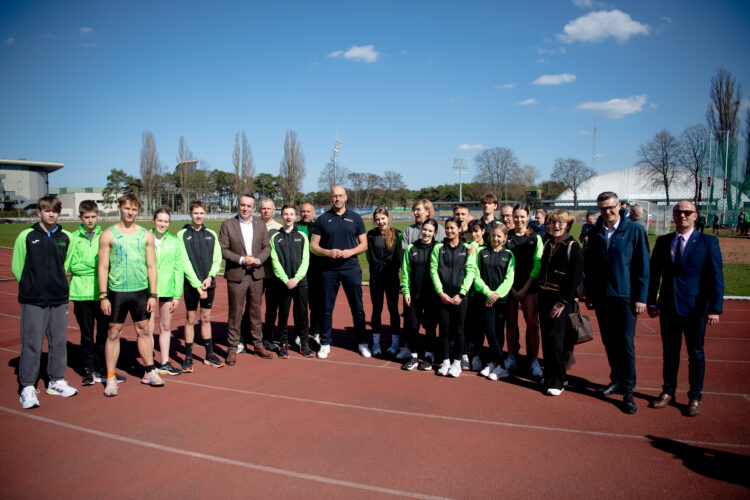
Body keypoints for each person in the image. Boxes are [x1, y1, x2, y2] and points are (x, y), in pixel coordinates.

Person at [647, 201, 724, 417]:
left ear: (695, 216)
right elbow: (654, 274)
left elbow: (716, 276)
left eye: (687, 212)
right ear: (673, 215)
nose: (682, 216)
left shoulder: (708, 242)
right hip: (668, 306)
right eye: (678, 212)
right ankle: (667, 392)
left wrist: (715, 308)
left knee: (696, 353)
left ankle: (695, 397)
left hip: (695, 308)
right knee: (670, 352)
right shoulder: (663, 241)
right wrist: (651, 301)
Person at [584, 191, 649, 414]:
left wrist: (641, 297)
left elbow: (642, 265)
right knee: (609, 342)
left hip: (625, 296)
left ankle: (628, 390)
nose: (607, 212)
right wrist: (590, 293)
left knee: (625, 343)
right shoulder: (595, 231)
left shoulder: (635, 230)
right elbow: (590, 265)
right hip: (602, 296)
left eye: (611, 207)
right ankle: (617, 380)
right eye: (603, 208)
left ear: (619, 206)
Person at [13, 195, 77, 408]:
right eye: (47, 210)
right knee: (32, 342)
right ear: (39, 212)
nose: (51, 214)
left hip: (59, 298)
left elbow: (65, 264)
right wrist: (31, 286)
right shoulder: (26, 236)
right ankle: (27, 386)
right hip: (34, 298)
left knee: (59, 341)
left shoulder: (66, 237)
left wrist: (57, 283)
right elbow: (17, 266)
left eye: (55, 211)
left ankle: (56, 381)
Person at [98, 194, 163, 397]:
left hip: (140, 290)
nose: (130, 212)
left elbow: (151, 265)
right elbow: (103, 266)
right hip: (117, 291)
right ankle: (110, 377)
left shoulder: (146, 235)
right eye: (127, 208)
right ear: (120, 208)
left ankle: (149, 370)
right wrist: (103, 295)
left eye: (134, 209)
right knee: (114, 332)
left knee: (144, 330)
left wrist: (153, 294)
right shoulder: (108, 234)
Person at [310, 186, 368, 359]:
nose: (338, 198)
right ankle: (325, 343)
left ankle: (362, 342)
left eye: (340, 195)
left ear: (346, 197)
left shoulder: (356, 218)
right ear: (330, 198)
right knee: (326, 309)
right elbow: (313, 246)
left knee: (357, 308)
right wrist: (327, 252)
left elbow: (364, 244)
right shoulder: (322, 219)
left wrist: (351, 252)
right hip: (329, 270)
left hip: (351, 269)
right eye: (335, 196)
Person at [219, 194, 272, 365]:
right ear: (238, 206)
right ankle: (232, 348)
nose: (245, 208)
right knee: (235, 313)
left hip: (256, 274)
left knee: (255, 312)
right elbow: (223, 250)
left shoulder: (260, 224)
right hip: (237, 275)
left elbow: (266, 247)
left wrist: (258, 260)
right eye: (243, 205)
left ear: (254, 208)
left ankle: (257, 344)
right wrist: (242, 259)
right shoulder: (228, 225)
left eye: (249, 206)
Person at [537, 210, 584, 396]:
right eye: (552, 222)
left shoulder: (573, 246)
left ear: (568, 225)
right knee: (547, 339)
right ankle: (550, 375)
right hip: (544, 297)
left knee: (556, 340)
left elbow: (574, 278)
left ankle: (557, 380)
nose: (555, 226)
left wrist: (562, 301)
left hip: (560, 300)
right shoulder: (548, 243)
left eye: (560, 223)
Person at [177, 201, 224, 372]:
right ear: (190, 214)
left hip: (208, 283)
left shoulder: (211, 234)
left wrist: (210, 277)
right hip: (192, 286)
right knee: (190, 319)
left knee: (205, 318)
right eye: (195, 213)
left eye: (201, 213)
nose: (199, 216)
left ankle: (209, 355)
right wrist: (197, 285)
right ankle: (188, 357)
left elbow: (217, 258)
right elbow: (184, 261)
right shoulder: (182, 234)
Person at [68, 200, 111, 386]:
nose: (90, 220)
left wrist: (96, 266)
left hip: (102, 294)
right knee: (86, 334)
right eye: (87, 217)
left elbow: (108, 265)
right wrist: (97, 266)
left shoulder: (105, 235)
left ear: (98, 216)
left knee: (102, 334)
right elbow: (73, 266)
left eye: (93, 216)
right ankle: (88, 369)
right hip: (81, 293)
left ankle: (101, 367)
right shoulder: (73, 238)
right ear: (80, 217)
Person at [430, 217, 476, 377]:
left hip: (460, 297)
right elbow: (433, 269)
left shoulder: (468, 249)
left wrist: (462, 293)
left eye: (452, 228)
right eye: (447, 228)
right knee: (444, 329)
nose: (449, 231)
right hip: (443, 296)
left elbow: (470, 272)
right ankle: (445, 361)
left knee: (459, 330)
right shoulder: (439, 248)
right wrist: (440, 292)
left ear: (459, 229)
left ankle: (457, 363)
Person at [504, 203, 544, 380]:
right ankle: (511, 356)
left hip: (529, 286)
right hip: (510, 287)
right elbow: (503, 263)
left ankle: (533, 360)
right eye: (516, 216)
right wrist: (512, 288)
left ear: (528, 218)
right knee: (511, 323)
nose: (519, 220)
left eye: (522, 216)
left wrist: (525, 288)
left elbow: (537, 265)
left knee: (532, 323)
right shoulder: (507, 237)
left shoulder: (535, 238)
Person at [270, 205, 314, 358]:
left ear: (296, 217)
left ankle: (304, 343)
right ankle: (283, 343)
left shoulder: (302, 236)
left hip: (300, 282)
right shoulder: (275, 237)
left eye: (291, 214)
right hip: (284, 283)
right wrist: (285, 279)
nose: (288, 217)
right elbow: (275, 261)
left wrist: (297, 278)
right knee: (283, 313)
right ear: (281, 216)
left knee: (302, 313)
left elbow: (306, 259)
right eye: (285, 214)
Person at [473, 224, 515, 380]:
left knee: (498, 332)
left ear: (505, 238)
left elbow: (509, 278)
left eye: (499, 236)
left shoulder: (509, 255)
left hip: (501, 300)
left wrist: (497, 295)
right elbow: (476, 275)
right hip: (485, 299)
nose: (495, 238)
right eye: (493, 235)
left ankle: (494, 363)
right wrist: (488, 293)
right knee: (489, 331)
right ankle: (502, 365)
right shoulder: (481, 252)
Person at [400, 219, 440, 371]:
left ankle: (429, 355)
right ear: (421, 229)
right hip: (415, 295)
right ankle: (414, 356)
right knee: (413, 326)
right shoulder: (411, 248)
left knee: (430, 326)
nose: (426, 233)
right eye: (425, 229)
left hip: (432, 295)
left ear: (435, 233)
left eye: (430, 231)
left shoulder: (438, 248)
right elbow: (405, 272)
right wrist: (406, 291)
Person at [148, 208, 183, 376]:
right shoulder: (145, 238)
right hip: (148, 289)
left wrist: (177, 295)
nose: (162, 224)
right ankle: (149, 365)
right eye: (160, 220)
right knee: (148, 328)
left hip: (168, 288)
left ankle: (164, 362)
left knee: (165, 326)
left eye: (166, 221)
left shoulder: (174, 241)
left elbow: (178, 268)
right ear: (154, 220)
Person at [366, 207, 404, 357]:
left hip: (391, 277)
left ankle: (395, 343)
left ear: (388, 218)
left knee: (393, 310)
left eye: (383, 218)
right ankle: (376, 344)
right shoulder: (371, 235)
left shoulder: (398, 234)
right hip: (376, 278)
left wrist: (393, 270)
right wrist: (376, 268)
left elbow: (399, 256)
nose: (380, 222)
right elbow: (369, 255)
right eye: (377, 219)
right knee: (377, 309)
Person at [259, 198, 283, 351]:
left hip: (274, 276)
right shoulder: (253, 225)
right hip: (257, 275)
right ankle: (246, 337)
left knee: (272, 309)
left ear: (273, 210)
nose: (266, 211)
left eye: (269, 208)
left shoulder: (279, 228)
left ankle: (268, 338)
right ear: (259, 210)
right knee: (252, 307)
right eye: (263, 208)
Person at [298, 202, 322, 349]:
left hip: (316, 270)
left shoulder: (318, 226)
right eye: (303, 211)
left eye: (308, 211)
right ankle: (300, 332)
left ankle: (315, 332)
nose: (306, 214)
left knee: (316, 304)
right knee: (300, 305)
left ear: (314, 213)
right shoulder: (295, 227)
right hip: (300, 271)